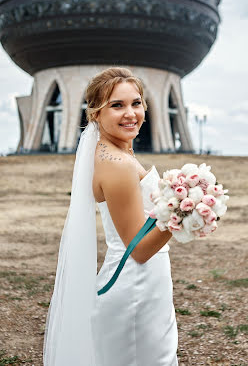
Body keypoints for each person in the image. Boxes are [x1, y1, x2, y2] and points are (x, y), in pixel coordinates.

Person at [43, 67, 178, 366]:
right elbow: (139, 249)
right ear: (95, 114)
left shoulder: (115, 152)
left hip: (144, 282)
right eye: (117, 105)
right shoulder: (117, 164)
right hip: (135, 286)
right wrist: (184, 212)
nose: (130, 113)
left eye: (136, 103)